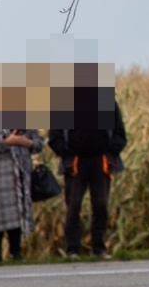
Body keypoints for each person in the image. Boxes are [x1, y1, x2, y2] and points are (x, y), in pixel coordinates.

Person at [49, 103, 127, 258]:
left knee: (100, 205)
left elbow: (120, 133)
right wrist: (65, 153)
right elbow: (55, 136)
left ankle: (99, 248)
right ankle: (72, 249)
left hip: (101, 161)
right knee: (73, 205)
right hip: (75, 162)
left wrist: (111, 152)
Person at [0, 127, 43, 261]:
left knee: (17, 212)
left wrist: (26, 142)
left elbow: (39, 143)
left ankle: (16, 252)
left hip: (20, 171)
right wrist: (6, 141)